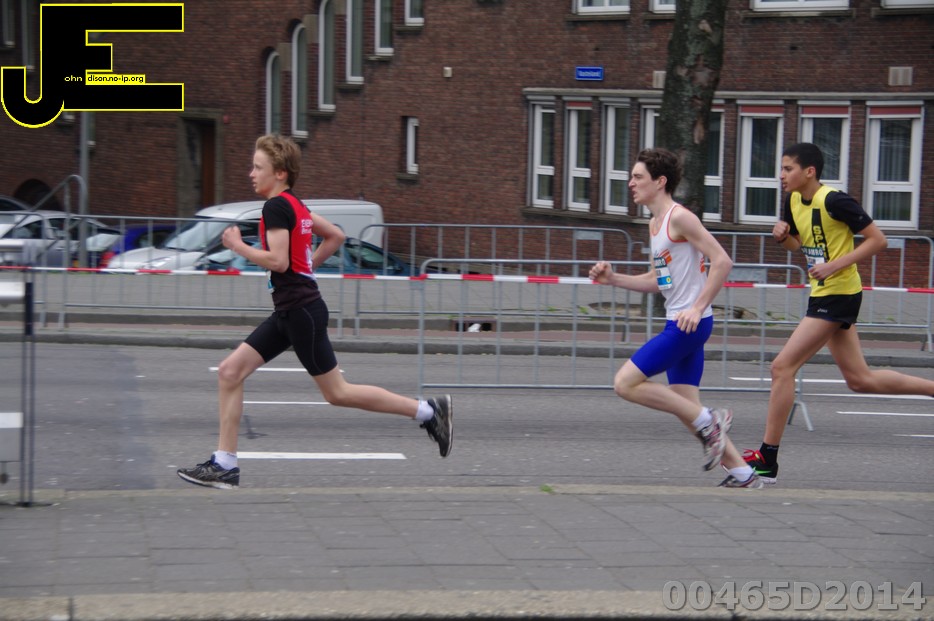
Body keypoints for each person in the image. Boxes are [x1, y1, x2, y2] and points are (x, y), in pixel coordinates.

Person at [178, 134, 452, 489]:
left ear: (279, 173)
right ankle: (224, 464)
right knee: (230, 372)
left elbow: (278, 261)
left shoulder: (277, 207)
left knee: (338, 393)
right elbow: (335, 236)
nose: (251, 174)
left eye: (258, 167)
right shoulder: (296, 205)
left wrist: (238, 246)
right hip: (291, 311)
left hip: (300, 311)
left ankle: (429, 411)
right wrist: (306, 268)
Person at [744, 142, 934, 485]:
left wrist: (834, 265)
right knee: (860, 380)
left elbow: (878, 240)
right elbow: (801, 246)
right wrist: (784, 238)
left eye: (787, 168)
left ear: (809, 172)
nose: (781, 175)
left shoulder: (835, 200)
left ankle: (767, 458)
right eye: (782, 169)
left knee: (782, 367)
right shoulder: (792, 201)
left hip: (840, 294)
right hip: (823, 293)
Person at [590, 148, 762, 488]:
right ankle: (743, 473)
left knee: (625, 384)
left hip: (690, 324)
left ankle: (711, 420)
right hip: (679, 321)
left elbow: (722, 261)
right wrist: (613, 279)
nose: (631, 183)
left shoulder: (680, 217)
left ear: (660, 181)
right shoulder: (655, 224)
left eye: (638, 177)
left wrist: (697, 307)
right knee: (687, 408)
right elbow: (659, 280)